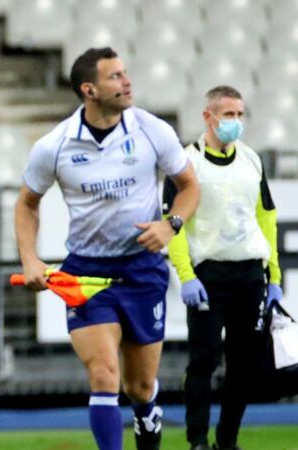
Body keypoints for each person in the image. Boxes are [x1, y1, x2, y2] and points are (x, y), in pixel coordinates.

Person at [15, 47, 200, 450]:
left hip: (143, 269)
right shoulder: (55, 144)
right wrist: (30, 258)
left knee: (140, 386)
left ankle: (147, 417)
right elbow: (27, 203)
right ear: (89, 89)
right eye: (115, 76)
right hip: (84, 273)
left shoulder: (153, 130)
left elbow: (189, 187)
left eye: (125, 73)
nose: (127, 81)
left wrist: (171, 225)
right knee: (103, 375)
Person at [164, 85, 282, 450]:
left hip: (249, 275)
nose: (235, 122)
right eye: (228, 114)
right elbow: (174, 223)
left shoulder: (251, 160)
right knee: (203, 360)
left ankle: (227, 440)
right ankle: (197, 441)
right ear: (208, 117)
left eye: (239, 115)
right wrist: (185, 275)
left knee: (243, 365)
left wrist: (273, 275)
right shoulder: (186, 165)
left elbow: (266, 218)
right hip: (208, 276)